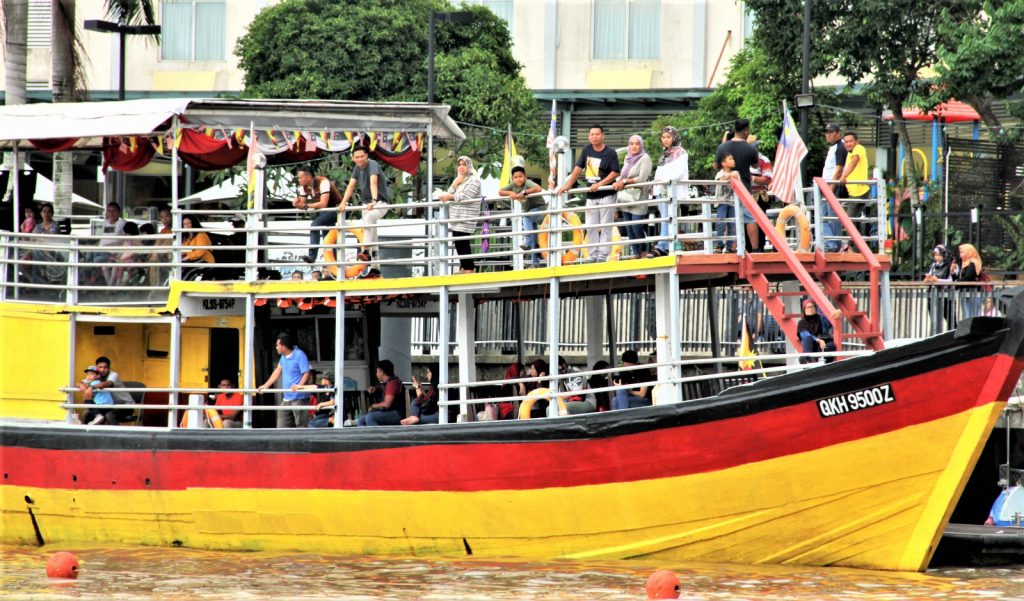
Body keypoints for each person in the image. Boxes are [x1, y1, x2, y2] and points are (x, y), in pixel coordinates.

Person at [557, 125, 620, 262]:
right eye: (592, 134)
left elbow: (615, 172)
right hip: (591, 195)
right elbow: (578, 169)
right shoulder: (587, 149)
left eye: (597, 134)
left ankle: (602, 256)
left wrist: (600, 184)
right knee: (591, 226)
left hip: (607, 194)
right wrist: (567, 185)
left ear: (603, 136)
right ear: (588, 136)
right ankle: (592, 255)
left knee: (605, 226)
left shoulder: (610, 152)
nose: (594, 137)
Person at [340, 146, 392, 275]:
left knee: (368, 219)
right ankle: (375, 269)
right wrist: (343, 202)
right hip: (366, 204)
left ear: (367, 156)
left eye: (362, 156)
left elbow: (373, 182)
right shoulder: (357, 168)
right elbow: (351, 186)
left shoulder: (372, 164)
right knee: (372, 234)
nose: (359, 159)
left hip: (380, 203)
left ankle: (366, 251)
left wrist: (374, 200)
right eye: (357, 157)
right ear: (353, 158)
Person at [715, 121, 760, 252]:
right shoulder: (750, 148)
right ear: (746, 131)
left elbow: (716, 166)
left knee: (730, 220)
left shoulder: (722, 147)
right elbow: (756, 165)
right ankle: (756, 249)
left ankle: (730, 248)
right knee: (750, 218)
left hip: (726, 192)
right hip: (744, 188)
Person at [438, 155, 482, 274]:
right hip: (457, 217)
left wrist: (450, 196)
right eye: (459, 164)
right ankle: (465, 267)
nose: (461, 167)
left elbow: (466, 196)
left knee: (462, 241)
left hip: (467, 216)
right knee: (458, 240)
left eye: (464, 164)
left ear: (469, 166)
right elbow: (450, 193)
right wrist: (454, 184)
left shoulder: (474, 180)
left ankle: (469, 268)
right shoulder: (460, 180)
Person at [256, 333, 312, 428]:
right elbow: (277, 371)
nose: (276, 347)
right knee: (282, 426)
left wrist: (299, 386)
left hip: (299, 398)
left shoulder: (299, 354)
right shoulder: (283, 357)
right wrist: (266, 385)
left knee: (301, 426)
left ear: (284, 346)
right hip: (286, 397)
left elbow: (306, 373)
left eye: (278, 345)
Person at [293, 164, 344, 264]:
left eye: (300, 177)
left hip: (337, 209)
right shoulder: (304, 187)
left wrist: (305, 206)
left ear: (308, 177)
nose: (299, 180)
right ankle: (334, 265)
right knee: (328, 239)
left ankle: (312, 256)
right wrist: (296, 203)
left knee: (315, 225)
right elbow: (302, 204)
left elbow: (323, 204)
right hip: (325, 212)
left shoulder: (323, 182)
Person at [612, 135, 653, 258]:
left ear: (641, 145)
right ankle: (636, 252)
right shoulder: (627, 158)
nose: (634, 146)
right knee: (629, 227)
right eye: (631, 144)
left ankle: (644, 250)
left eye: (637, 144)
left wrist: (624, 182)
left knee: (636, 225)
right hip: (626, 196)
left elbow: (642, 179)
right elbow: (623, 175)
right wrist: (617, 181)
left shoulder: (645, 158)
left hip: (638, 197)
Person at [652, 126, 689, 255]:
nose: (665, 140)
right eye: (663, 137)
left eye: (668, 137)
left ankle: (662, 246)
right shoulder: (664, 154)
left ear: (674, 137)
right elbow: (658, 172)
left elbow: (678, 173)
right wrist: (655, 185)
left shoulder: (681, 153)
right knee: (665, 218)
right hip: (661, 190)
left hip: (672, 190)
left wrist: (662, 179)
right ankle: (666, 246)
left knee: (667, 218)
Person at [499, 166, 545, 268]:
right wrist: (510, 192)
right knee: (534, 237)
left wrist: (524, 192)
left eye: (520, 176)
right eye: (515, 177)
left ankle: (527, 242)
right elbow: (500, 192)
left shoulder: (527, 183)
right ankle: (535, 263)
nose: (518, 179)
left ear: (525, 177)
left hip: (540, 208)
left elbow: (538, 188)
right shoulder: (513, 185)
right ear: (512, 179)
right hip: (530, 212)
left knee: (526, 217)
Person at [839, 131, 871, 244]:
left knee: (848, 221)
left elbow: (854, 162)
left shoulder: (859, 148)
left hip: (859, 191)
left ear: (857, 141)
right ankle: (857, 246)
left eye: (851, 141)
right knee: (852, 221)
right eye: (846, 142)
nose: (848, 144)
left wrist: (843, 176)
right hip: (854, 192)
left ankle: (852, 247)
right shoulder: (850, 153)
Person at [821, 123, 848, 252]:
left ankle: (834, 245)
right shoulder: (834, 147)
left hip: (832, 186)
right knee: (823, 216)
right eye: (826, 132)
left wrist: (830, 189)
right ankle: (832, 244)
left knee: (831, 217)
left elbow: (838, 170)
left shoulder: (840, 147)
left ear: (837, 133)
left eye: (830, 132)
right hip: (827, 185)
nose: (828, 135)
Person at [87, 356, 135, 422]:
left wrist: (91, 387)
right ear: (96, 368)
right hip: (110, 405)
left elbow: (108, 383)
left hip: (126, 405)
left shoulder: (114, 375)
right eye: (100, 367)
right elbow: (80, 383)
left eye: (105, 367)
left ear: (109, 368)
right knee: (87, 414)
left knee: (109, 415)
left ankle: (114, 429)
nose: (102, 370)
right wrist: (81, 385)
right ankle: (86, 429)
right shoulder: (96, 376)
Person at [748, 135, 774, 251]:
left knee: (759, 222)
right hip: (745, 196)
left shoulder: (763, 160)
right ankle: (748, 249)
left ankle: (759, 248)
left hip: (758, 196)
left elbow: (768, 179)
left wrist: (752, 178)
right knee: (746, 222)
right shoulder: (741, 160)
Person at [359, 359, 404, 426]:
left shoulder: (393, 383)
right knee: (361, 420)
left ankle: (377, 433)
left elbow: (386, 405)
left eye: (377, 372)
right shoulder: (386, 383)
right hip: (387, 413)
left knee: (370, 417)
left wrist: (373, 406)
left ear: (381, 371)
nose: (376, 374)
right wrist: (374, 388)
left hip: (395, 414)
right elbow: (381, 387)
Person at [923, 244, 956, 332]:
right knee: (934, 319)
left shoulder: (950, 265)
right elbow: (930, 276)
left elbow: (951, 281)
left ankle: (953, 335)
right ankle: (935, 335)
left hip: (946, 296)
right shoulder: (934, 265)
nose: (937, 257)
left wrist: (938, 280)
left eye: (939, 255)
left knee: (950, 319)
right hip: (933, 295)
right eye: (935, 255)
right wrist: (928, 280)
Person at [714, 152, 741, 253]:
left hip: (732, 202)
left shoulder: (736, 173)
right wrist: (730, 176)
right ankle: (719, 244)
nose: (733, 161)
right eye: (730, 159)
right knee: (721, 222)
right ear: (723, 163)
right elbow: (720, 179)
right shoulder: (720, 173)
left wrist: (732, 176)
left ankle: (730, 246)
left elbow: (738, 183)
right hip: (722, 202)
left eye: (732, 159)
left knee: (732, 224)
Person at [181, 214, 215, 280]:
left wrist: (188, 257)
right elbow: (184, 250)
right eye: (185, 224)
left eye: (189, 223)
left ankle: (183, 285)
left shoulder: (201, 235)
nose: (187, 226)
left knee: (188, 270)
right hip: (193, 260)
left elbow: (200, 252)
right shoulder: (186, 238)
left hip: (206, 261)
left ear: (194, 223)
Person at [957, 243, 984, 319]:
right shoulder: (964, 263)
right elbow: (962, 277)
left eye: (963, 252)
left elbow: (968, 277)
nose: (961, 255)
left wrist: (956, 283)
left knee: (971, 317)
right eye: (960, 253)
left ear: (969, 252)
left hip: (973, 294)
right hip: (966, 293)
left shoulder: (973, 262)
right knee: (967, 317)